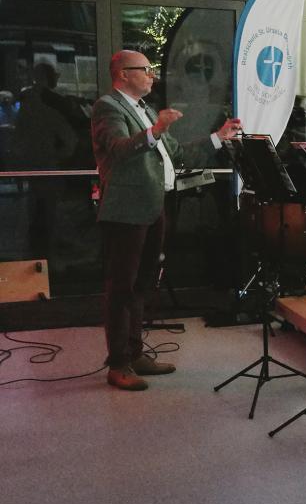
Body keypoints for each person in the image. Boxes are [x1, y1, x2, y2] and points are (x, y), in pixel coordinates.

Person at [91, 50, 241, 390]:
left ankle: (134, 353)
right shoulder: (109, 107)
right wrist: (155, 130)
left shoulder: (143, 110)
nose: (151, 75)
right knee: (121, 287)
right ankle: (118, 363)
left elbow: (177, 153)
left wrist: (219, 137)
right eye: (144, 70)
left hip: (153, 206)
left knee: (143, 284)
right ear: (123, 74)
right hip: (126, 211)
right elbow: (118, 148)